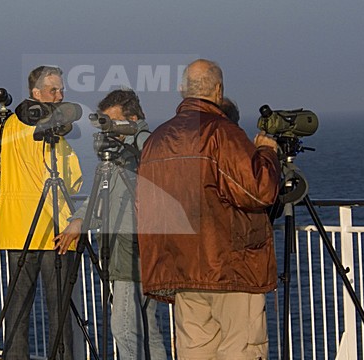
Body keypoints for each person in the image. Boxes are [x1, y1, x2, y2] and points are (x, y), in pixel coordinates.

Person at [136, 59, 281, 360]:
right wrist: (267, 152)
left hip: (183, 268)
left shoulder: (157, 140)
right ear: (218, 90)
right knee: (240, 348)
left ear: (182, 91)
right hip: (231, 267)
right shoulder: (222, 133)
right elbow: (260, 190)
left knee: (195, 350)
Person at [55, 89, 168, 360]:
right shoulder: (117, 153)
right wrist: (80, 220)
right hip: (124, 249)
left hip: (135, 250)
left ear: (132, 119)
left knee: (125, 328)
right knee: (146, 329)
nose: (110, 130)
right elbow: (102, 193)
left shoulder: (145, 147)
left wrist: (133, 139)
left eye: (114, 122)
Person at [0, 66, 82, 359]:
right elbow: (71, 180)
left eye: (61, 89)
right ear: (36, 94)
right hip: (54, 231)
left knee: (17, 309)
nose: (61, 95)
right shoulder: (51, 130)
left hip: (15, 229)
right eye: (54, 90)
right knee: (59, 311)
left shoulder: (4, 130)